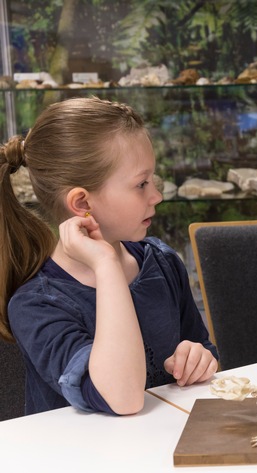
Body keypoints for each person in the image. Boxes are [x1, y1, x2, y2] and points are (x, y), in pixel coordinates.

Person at [0, 97, 219, 415]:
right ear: (81, 203)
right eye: (141, 184)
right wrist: (105, 264)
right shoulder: (36, 304)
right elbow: (121, 397)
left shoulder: (162, 261)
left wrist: (199, 358)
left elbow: (205, 350)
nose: (156, 195)